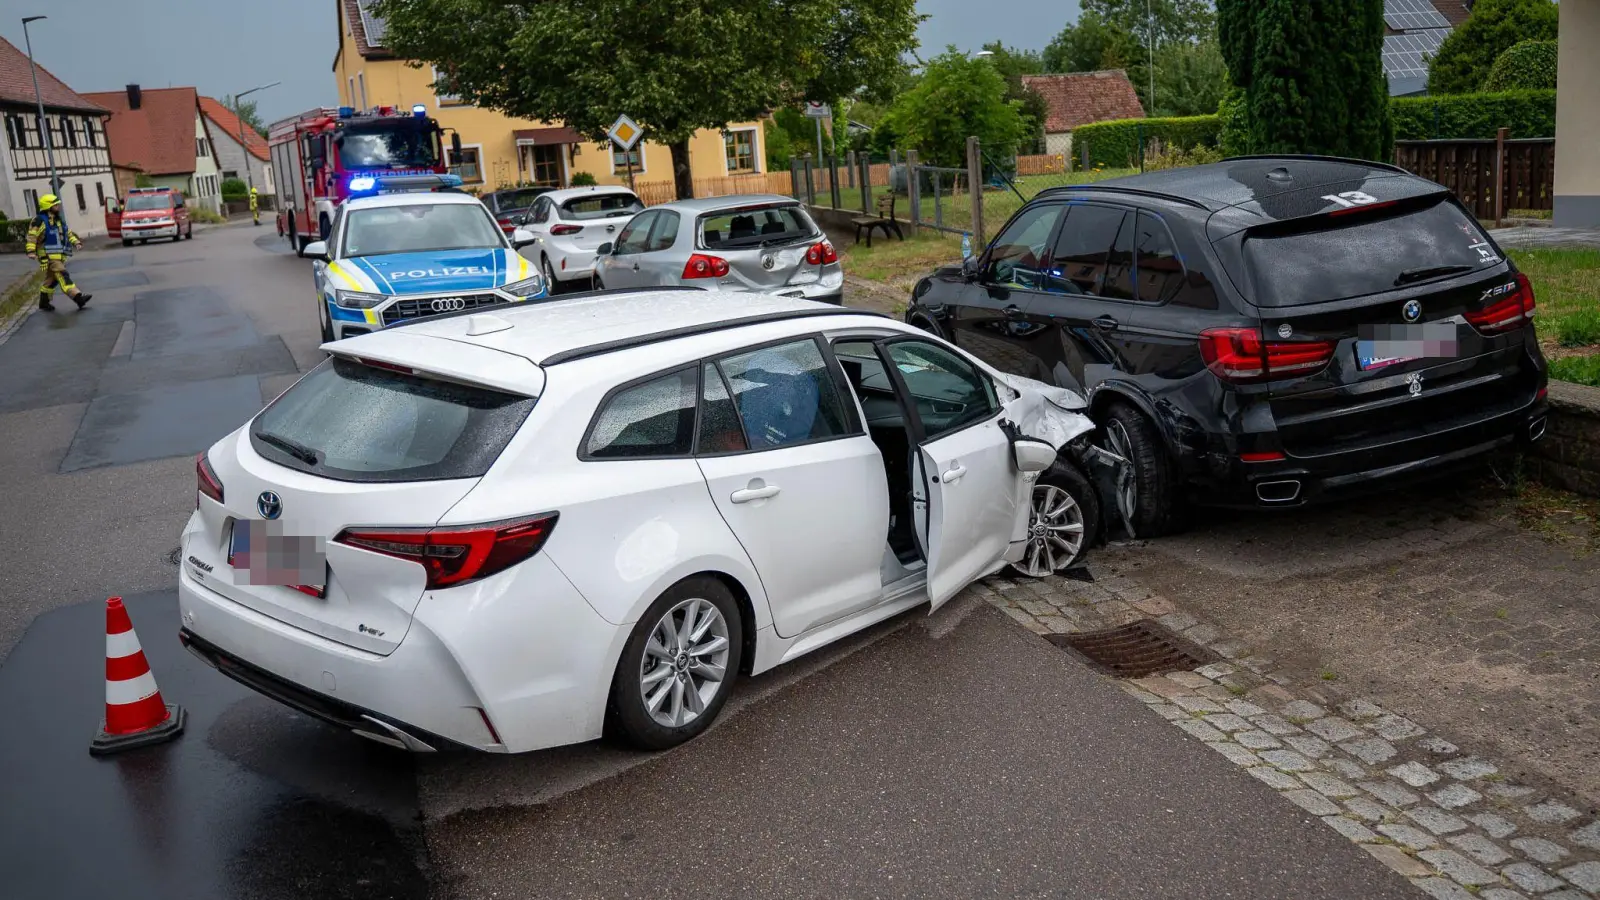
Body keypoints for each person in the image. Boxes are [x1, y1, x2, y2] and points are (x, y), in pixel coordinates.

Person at [24, 194, 92, 312]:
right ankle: (78, 298)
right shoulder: (39, 220)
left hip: (59, 256)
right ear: (48, 206)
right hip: (48, 257)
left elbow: (67, 232)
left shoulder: (58, 220)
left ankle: (44, 302)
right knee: (63, 275)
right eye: (55, 205)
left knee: (52, 279)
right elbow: (32, 236)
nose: (58, 207)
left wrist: (76, 242)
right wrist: (30, 251)